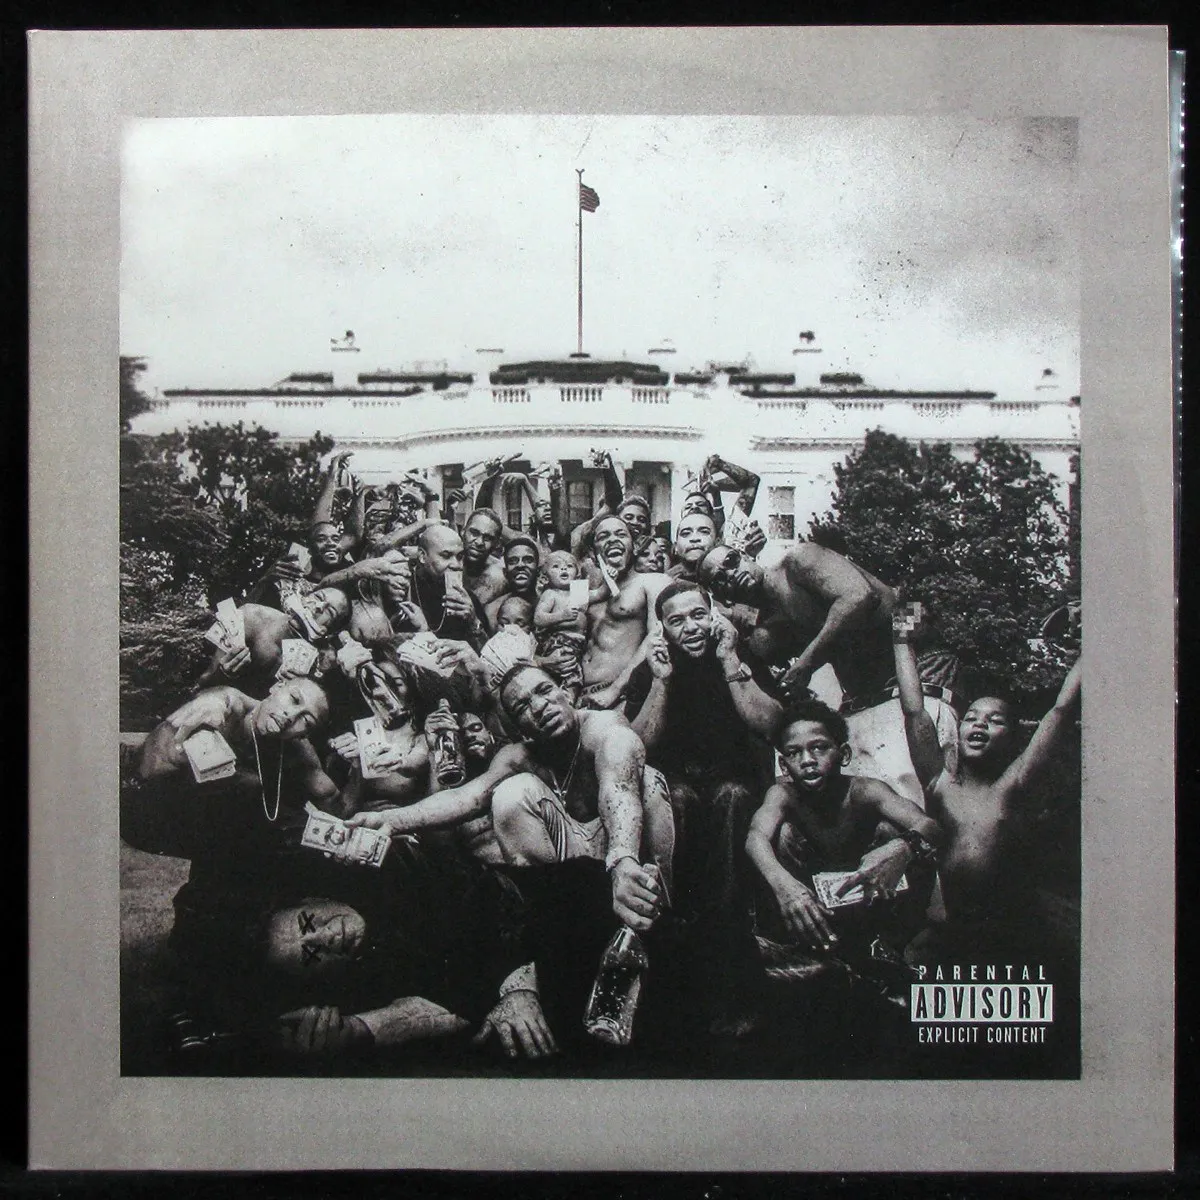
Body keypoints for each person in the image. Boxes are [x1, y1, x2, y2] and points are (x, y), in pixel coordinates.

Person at [346, 663, 675, 935]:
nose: (539, 706)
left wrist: (623, 861)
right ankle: (562, 925)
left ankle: (655, 906)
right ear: (522, 730)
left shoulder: (604, 727)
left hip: (627, 849)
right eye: (523, 707)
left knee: (647, 779)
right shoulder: (519, 756)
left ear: (565, 692)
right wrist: (388, 820)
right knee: (510, 793)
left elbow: (620, 788)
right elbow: (465, 798)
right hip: (575, 867)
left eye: (544, 691)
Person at [623, 582, 783, 1029]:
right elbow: (638, 743)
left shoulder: (739, 655)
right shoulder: (651, 670)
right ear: (663, 629)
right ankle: (681, 932)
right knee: (678, 799)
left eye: (697, 615)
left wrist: (730, 660)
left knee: (732, 798)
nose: (690, 627)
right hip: (678, 783)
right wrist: (660, 680)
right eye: (677, 621)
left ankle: (726, 929)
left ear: (713, 615)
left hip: (734, 781)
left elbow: (771, 723)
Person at [697, 540, 955, 805]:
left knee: (930, 784)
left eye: (731, 561)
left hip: (919, 660)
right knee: (874, 790)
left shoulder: (798, 560)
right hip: (866, 695)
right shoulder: (768, 631)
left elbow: (861, 596)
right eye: (720, 579)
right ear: (723, 596)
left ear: (745, 555)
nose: (730, 573)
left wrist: (805, 664)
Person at [893, 603, 1082, 957]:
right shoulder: (939, 783)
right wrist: (901, 637)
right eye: (972, 717)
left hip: (1009, 932)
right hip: (951, 929)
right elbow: (914, 709)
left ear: (1013, 739)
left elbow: (1060, 711)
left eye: (995, 720)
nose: (979, 723)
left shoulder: (1014, 785)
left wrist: (1091, 650)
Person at [745, 701, 942, 972]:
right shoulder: (783, 794)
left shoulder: (865, 791)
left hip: (869, 901)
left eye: (819, 747)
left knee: (894, 831)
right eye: (793, 752)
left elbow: (930, 826)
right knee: (781, 835)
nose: (807, 760)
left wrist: (901, 848)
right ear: (784, 764)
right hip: (813, 906)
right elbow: (755, 837)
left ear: (844, 754)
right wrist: (786, 889)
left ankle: (889, 946)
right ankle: (803, 946)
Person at [579, 515, 672, 710]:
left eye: (620, 534)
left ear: (634, 547)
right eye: (603, 536)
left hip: (618, 696)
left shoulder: (653, 581)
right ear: (593, 551)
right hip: (577, 694)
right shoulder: (582, 587)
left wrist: (615, 690)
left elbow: (657, 635)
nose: (612, 539)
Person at [197, 588, 352, 698]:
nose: (318, 607)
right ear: (304, 597)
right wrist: (224, 673)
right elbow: (203, 682)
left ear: (328, 632)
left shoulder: (316, 665)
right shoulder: (252, 617)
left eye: (329, 611)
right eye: (318, 597)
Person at [533, 549, 608, 701]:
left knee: (574, 673)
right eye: (556, 566)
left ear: (577, 574)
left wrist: (610, 577)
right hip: (558, 642)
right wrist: (561, 616)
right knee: (569, 673)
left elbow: (601, 594)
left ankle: (568, 698)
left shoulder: (578, 593)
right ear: (545, 576)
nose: (563, 568)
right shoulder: (551, 594)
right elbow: (538, 618)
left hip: (577, 645)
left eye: (569, 566)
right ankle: (567, 699)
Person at [409, 524, 488, 648]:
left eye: (460, 557)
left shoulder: (467, 599)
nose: (456, 565)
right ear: (422, 556)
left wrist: (473, 621)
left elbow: (486, 653)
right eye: (446, 556)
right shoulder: (404, 588)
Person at [484, 536, 542, 632]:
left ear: (538, 570)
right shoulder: (491, 611)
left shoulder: (550, 603)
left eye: (528, 560)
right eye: (512, 561)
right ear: (505, 573)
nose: (520, 565)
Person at [460, 508, 510, 608]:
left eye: (487, 538)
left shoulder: (499, 577)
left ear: (497, 544)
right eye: (474, 533)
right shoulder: (447, 564)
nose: (479, 542)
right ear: (463, 531)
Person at [669, 510, 720, 583]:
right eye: (686, 533)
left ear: (717, 543)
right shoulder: (662, 584)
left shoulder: (732, 579)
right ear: (676, 547)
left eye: (704, 532)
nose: (694, 538)